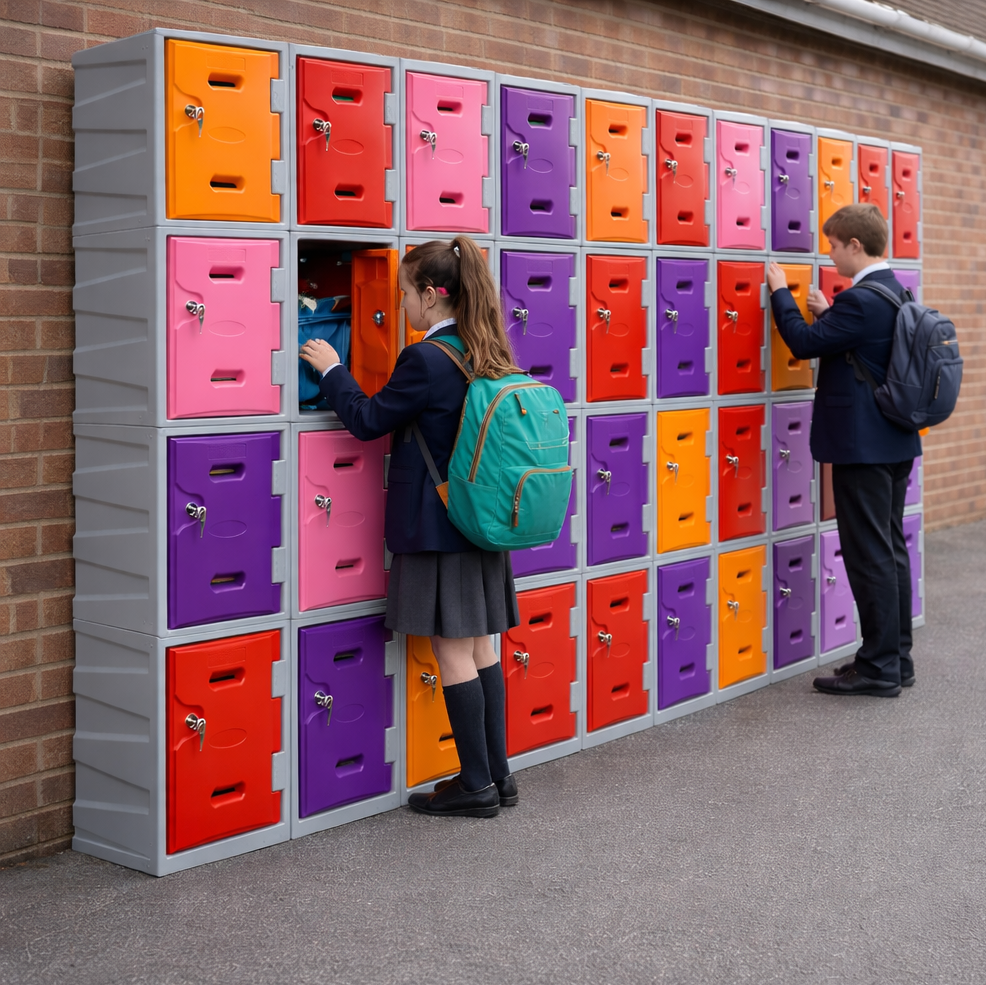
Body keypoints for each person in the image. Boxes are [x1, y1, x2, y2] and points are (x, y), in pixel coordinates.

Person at [299, 236, 521, 816]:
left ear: (430, 294)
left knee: (451, 651)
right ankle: (499, 775)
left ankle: (475, 786)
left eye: (403, 294)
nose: (399, 305)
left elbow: (369, 420)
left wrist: (333, 371)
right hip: (481, 521)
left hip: (437, 525)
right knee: (482, 648)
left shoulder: (425, 358)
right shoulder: (485, 346)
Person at [767, 203, 921, 698]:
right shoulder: (896, 291)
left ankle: (877, 669)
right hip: (894, 441)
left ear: (856, 245)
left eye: (834, 245)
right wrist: (833, 316)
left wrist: (779, 294)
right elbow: (863, 346)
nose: (830, 254)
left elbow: (803, 342)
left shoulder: (861, 299)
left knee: (868, 554)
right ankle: (896, 658)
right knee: (891, 549)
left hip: (862, 447)